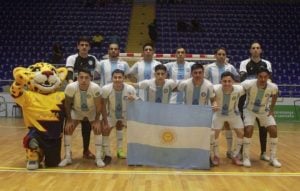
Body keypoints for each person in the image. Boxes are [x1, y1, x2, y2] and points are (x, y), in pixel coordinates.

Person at [59, 69, 108, 167]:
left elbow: (99, 105)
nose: (84, 80)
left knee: (97, 129)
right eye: (81, 77)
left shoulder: (95, 88)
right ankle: (68, 157)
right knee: (68, 129)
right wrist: (69, 120)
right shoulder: (70, 87)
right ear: (77, 78)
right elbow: (67, 104)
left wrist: (97, 120)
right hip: (76, 111)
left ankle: (98, 158)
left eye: (86, 78)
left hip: (92, 111)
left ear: (91, 79)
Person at [95, 42, 130, 160]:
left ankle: (120, 150)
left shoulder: (124, 64)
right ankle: (106, 151)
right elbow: (96, 76)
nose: (113, 51)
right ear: (108, 51)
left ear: (119, 51)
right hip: (105, 95)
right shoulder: (102, 63)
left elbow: (128, 77)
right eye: (111, 49)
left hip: (119, 95)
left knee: (119, 123)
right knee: (105, 125)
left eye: (115, 49)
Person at [65, 36, 99, 160]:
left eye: (86, 45)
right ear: (78, 46)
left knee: (87, 126)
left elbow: (98, 73)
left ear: (89, 47)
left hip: (88, 95)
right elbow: (68, 74)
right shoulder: (72, 58)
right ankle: (68, 153)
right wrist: (70, 85)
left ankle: (86, 150)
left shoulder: (93, 59)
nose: (84, 47)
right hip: (74, 94)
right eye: (82, 45)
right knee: (69, 125)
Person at [241, 67, 281, 168]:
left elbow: (275, 95)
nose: (263, 79)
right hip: (249, 110)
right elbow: (237, 89)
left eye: (265, 77)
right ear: (257, 76)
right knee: (249, 129)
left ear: (268, 77)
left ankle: (273, 157)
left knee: (273, 130)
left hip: (264, 111)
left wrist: (272, 109)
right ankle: (245, 157)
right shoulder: (248, 84)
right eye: (260, 77)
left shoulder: (273, 87)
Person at [239, 41, 272, 161]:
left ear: (261, 50)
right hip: (247, 101)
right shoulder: (244, 63)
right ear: (250, 50)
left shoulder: (267, 63)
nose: (256, 50)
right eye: (253, 48)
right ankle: (242, 152)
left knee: (263, 129)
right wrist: (258, 81)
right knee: (246, 128)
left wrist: (255, 80)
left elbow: (268, 81)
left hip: (263, 100)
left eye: (258, 48)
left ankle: (263, 152)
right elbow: (243, 80)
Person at [204, 47, 240, 159]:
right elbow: (205, 82)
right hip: (213, 99)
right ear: (215, 55)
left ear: (226, 56)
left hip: (228, 99)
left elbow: (237, 80)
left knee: (228, 125)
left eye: (223, 54)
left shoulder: (231, 67)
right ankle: (213, 153)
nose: (221, 56)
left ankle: (229, 151)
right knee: (213, 127)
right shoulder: (209, 67)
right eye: (219, 54)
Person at [101, 69, 138, 164]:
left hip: (126, 114)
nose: (117, 79)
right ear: (112, 78)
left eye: (120, 77)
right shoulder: (106, 89)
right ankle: (107, 153)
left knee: (134, 133)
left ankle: (122, 151)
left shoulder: (130, 89)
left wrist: (134, 99)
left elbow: (136, 105)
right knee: (105, 130)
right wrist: (105, 121)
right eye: (115, 77)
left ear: (124, 78)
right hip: (111, 113)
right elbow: (103, 106)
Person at [211, 71, 245, 166]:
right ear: (220, 81)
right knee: (214, 134)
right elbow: (211, 97)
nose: (227, 83)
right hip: (219, 114)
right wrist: (214, 103)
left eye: (229, 81)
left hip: (233, 113)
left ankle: (235, 155)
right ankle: (216, 155)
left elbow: (250, 86)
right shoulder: (215, 88)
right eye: (224, 81)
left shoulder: (240, 89)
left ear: (233, 81)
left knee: (241, 133)